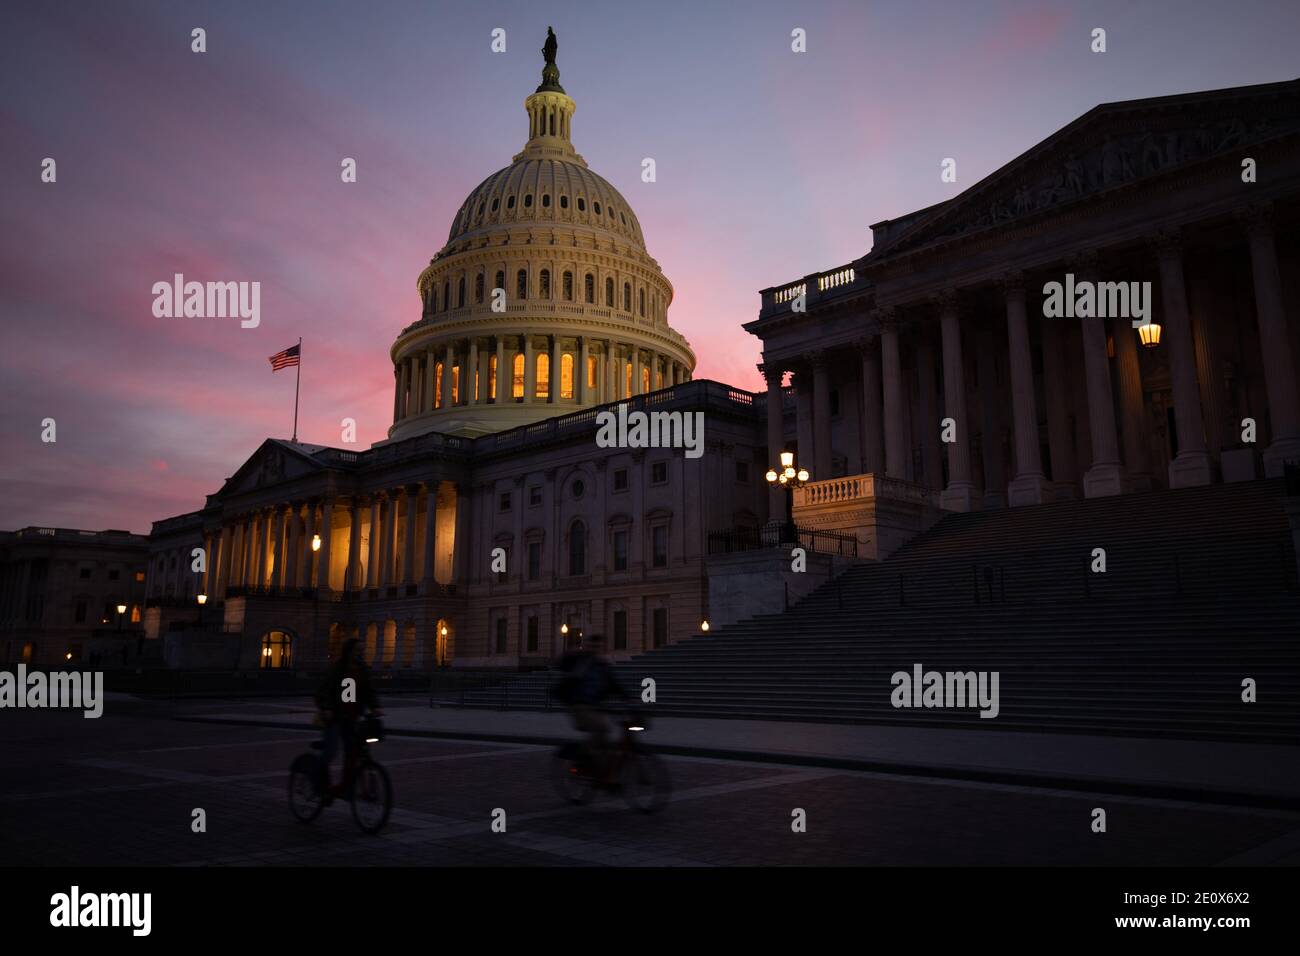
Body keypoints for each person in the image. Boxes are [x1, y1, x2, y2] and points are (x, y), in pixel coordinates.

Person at [313, 638, 382, 803]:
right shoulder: (338, 669)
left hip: (351, 718)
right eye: (356, 650)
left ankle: (345, 787)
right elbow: (324, 691)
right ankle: (317, 781)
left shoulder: (362, 670)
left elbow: (368, 691)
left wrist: (375, 707)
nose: (359, 653)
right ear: (348, 652)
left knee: (355, 752)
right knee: (331, 751)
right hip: (334, 717)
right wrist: (327, 708)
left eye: (361, 650)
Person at [555, 634, 626, 781]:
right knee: (601, 728)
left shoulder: (601, 665)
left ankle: (602, 766)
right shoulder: (579, 661)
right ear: (586, 646)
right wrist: (575, 652)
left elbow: (614, 684)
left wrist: (631, 698)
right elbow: (562, 663)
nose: (594, 649)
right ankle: (586, 764)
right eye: (591, 646)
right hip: (578, 705)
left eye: (597, 647)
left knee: (610, 731)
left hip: (596, 706)